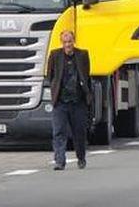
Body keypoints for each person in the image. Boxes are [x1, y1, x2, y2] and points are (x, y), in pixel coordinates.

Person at [46, 30, 91, 171]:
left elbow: (86, 75)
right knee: (58, 131)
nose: (68, 45)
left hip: (78, 102)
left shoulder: (83, 55)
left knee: (79, 132)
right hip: (60, 102)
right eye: (65, 42)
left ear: (74, 41)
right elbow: (50, 75)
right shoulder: (54, 55)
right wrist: (55, 91)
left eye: (70, 41)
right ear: (62, 43)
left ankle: (81, 158)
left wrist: (86, 95)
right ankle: (60, 161)